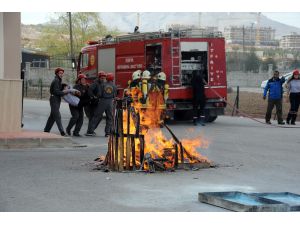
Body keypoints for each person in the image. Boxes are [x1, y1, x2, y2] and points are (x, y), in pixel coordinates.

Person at [44, 67, 70, 136]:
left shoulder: (58, 80)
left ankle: (46, 130)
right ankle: (62, 132)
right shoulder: (56, 80)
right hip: (54, 99)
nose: (61, 74)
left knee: (52, 116)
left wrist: (63, 86)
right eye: (60, 73)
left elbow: (58, 89)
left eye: (62, 73)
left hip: (56, 99)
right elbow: (56, 91)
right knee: (57, 116)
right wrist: (65, 92)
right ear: (57, 73)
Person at [85, 71, 107, 136]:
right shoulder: (95, 83)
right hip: (92, 103)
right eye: (102, 78)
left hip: (98, 102)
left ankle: (91, 130)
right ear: (99, 77)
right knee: (93, 117)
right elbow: (90, 90)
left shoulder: (103, 84)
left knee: (99, 117)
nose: (103, 79)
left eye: (104, 78)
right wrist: (93, 97)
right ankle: (89, 131)